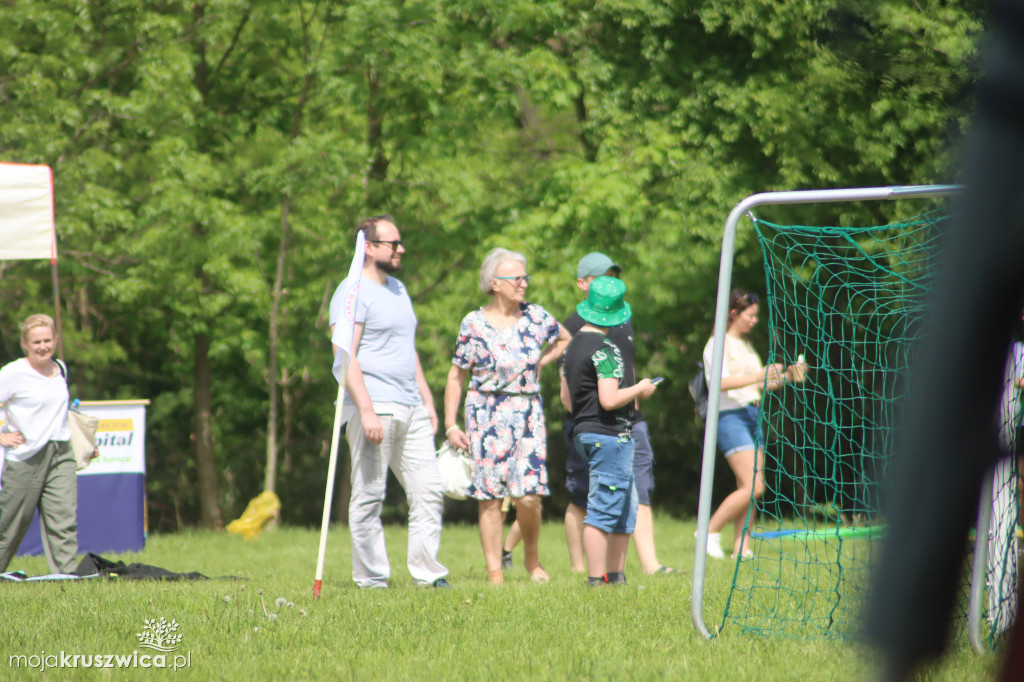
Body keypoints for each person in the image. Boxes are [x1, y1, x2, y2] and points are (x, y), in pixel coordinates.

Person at [328, 215, 449, 589]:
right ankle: (372, 579)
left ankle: (428, 575)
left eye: (400, 243)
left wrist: (428, 400)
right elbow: (344, 356)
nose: (401, 249)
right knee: (369, 496)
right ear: (369, 247)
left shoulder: (397, 289)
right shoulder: (351, 293)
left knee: (429, 490)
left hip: (410, 406)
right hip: (373, 405)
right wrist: (365, 410)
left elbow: (406, 351)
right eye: (393, 243)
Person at [444, 247, 570, 585]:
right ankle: (495, 571)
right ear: (494, 283)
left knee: (528, 496)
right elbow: (456, 376)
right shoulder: (473, 323)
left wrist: (540, 363)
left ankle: (531, 558)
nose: (524, 283)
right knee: (490, 497)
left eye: (525, 277)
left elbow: (564, 338)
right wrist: (450, 423)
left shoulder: (536, 317)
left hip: (528, 412)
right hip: (484, 414)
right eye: (516, 278)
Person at [559, 252, 678, 574]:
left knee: (625, 507)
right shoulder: (605, 349)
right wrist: (639, 388)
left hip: (585, 431)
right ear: (615, 313)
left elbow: (565, 397)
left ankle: (616, 576)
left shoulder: (572, 347)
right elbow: (610, 400)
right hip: (610, 435)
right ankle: (598, 579)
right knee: (602, 509)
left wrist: (585, 415)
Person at [701, 289, 805, 559]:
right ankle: (708, 531)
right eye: (751, 315)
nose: (754, 321)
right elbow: (718, 384)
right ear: (734, 313)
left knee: (748, 488)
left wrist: (789, 377)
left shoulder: (746, 346)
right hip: (730, 417)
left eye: (756, 316)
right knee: (755, 485)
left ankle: (741, 549)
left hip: (752, 415)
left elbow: (760, 385)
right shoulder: (717, 344)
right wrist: (758, 375)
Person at [0, 314, 77, 575]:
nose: (43, 346)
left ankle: (67, 578)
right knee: (10, 524)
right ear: (25, 344)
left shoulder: (61, 369)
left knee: (63, 519)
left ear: (55, 340)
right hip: (25, 457)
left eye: (47, 340)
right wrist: (1, 437)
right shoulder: (13, 373)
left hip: (61, 452)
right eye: (36, 342)